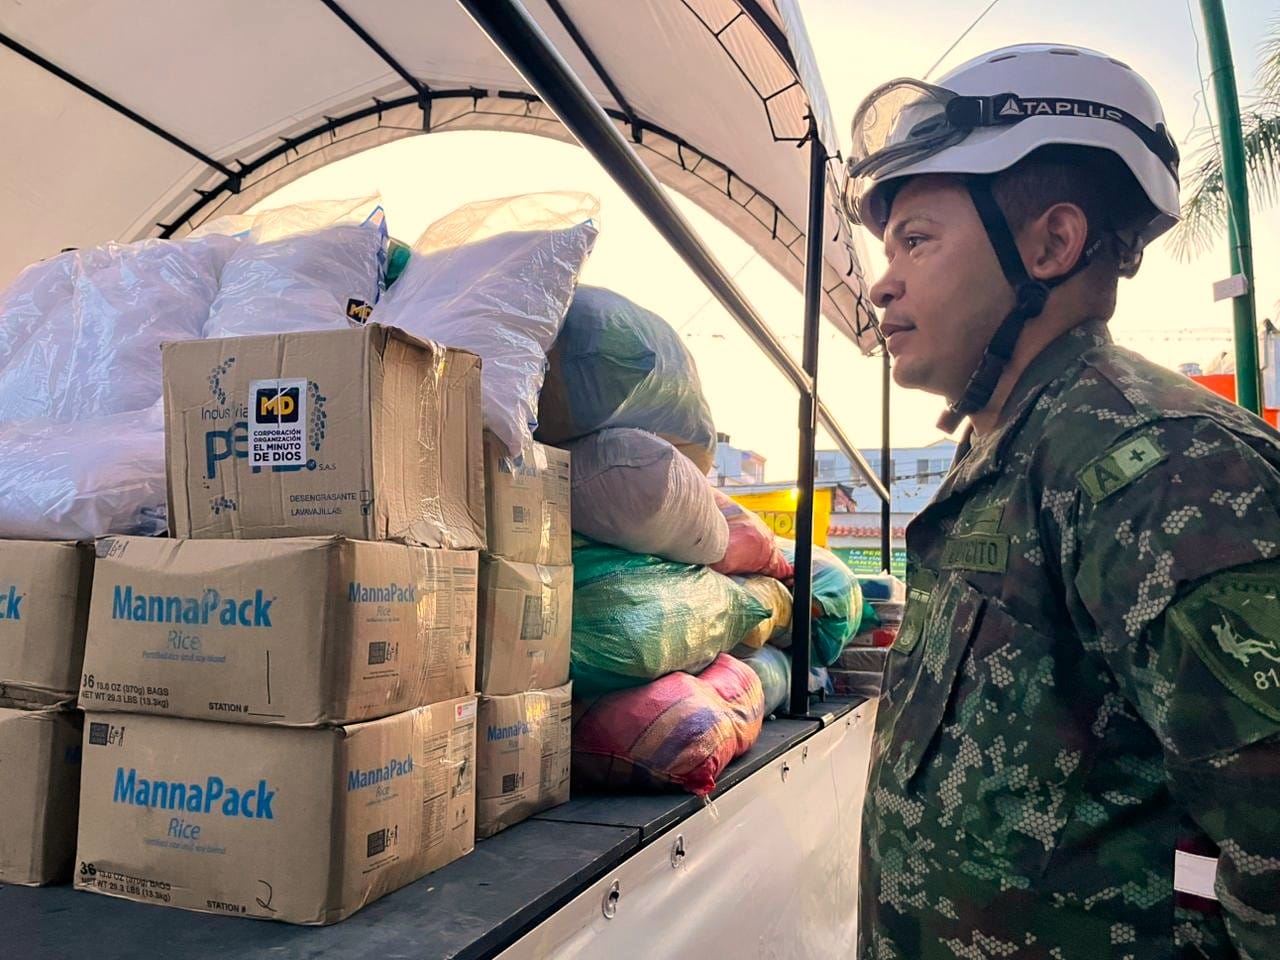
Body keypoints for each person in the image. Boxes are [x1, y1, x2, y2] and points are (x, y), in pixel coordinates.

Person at [843, 43, 1280, 959]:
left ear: (1052, 243)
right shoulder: (1015, 451)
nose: (881, 281)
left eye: (915, 239)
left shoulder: (1168, 470)